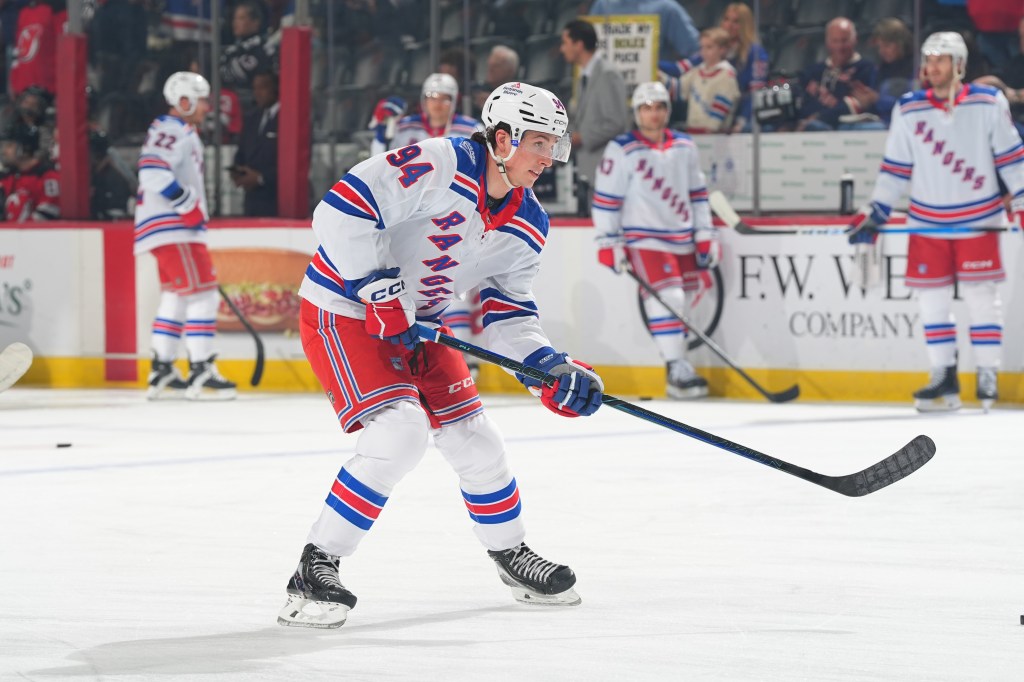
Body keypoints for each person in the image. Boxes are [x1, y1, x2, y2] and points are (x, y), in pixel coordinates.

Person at [279, 82, 603, 629]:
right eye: (540, 144)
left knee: (478, 441)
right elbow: (339, 210)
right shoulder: (437, 163)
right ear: (503, 138)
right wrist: (375, 287)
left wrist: (548, 368)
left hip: (421, 326)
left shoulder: (529, 222)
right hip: (344, 309)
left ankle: (511, 554)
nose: (549, 158)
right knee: (399, 433)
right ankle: (315, 567)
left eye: (556, 145)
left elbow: (508, 312)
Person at [847, 32, 1024, 412]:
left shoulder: (987, 102)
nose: (932, 68)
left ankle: (988, 373)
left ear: (959, 65)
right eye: (928, 60)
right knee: (931, 300)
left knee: (982, 299)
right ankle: (943, 375)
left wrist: (1022, 198)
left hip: (979, 217)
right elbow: (895, 169)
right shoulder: (909, 109)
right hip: (927, 220)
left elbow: (1011, 157)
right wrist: (876, 210)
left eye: (941, 60)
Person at [591, 81, 717, 400]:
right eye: (647, 108)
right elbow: (606, 199)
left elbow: (697, 194)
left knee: (683, 304)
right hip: (643, 239)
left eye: (659, 107)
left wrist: (705, 233)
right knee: (670, 299)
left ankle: (679, 367)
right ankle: (676, 367)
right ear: (637, 112)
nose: (653, 114)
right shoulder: (621, 149)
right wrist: (608, 241)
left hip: (682, 237)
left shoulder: (684, 146)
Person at [134, 72, 238, 401]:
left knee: (176, 296)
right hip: (173, 227)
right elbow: (151, 172)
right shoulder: (172, 128)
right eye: (203, 100)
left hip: (163, 229)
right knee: (204, 294)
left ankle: (162, 368)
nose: (207, 107)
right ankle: (201, 367)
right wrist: (185, 203)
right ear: (185, 101)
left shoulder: (177, 130)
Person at [369, 72, 483, 368]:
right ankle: (418, 354)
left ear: (454, 101)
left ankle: (463, 359)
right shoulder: (405, 127)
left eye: (444, 98)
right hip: (411, 214)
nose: (438, 105)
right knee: (415, 282)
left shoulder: (472, 129)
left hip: (458, 212)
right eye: (432, 98)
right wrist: (382, 130)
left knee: (452, 281)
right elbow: (379, 164)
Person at [659, 2, 768, 132]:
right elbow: (678, 69)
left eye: (736, 21)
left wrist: (741, 122)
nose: (729, 25)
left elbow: (755, 94)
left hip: (739, 117)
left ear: (745, 25)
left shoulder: (755, 53)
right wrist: (651, 64)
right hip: (706, 119)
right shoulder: (709, 51)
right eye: (726, 19)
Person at [559, 19, 630, 192]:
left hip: (606, 168)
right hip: (588, 170)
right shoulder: (585, 75)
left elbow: (616, 123)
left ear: (579, 45)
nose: (562, 48)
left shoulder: (607, 75)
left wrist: (580, 138)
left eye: (565, 43)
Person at [796, 18, 882, 131]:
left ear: (855, 40)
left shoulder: (867, 69)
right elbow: (802, 105)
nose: (839, 47)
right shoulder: (812, 71)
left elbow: (855, 106)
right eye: (835, 41)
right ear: (827, 42)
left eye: (844, 41)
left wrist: (819, 117)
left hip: (850, 130)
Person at [231, 70, 279, 217]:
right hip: (252, 202)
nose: (257, 93)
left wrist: (260, 178)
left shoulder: (290, 118)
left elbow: (295, 164)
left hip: (276, 202)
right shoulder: (252, 118)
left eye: (262, 87)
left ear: (276, 88)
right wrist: (238, 171)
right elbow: (241, 152)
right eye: (255, 88)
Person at [589, 0, 699, 62]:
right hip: (608, 92)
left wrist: (671, 70)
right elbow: (586, 48)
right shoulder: (603, 5)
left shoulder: (666, 8)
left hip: (654, 95)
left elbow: (697, 51)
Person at [677, 27, 740, 133]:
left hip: (715, 136)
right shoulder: (696, 71)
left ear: (722, 49)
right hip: (693, 131)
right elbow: (678, 89)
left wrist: (711, 129)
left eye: (709, 47)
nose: (704, 51)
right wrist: (660, 77)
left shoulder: (726, 75)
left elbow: (721, 107)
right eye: (702, 47)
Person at [0, 124, 60, 222]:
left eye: (9, 146)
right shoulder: (7, 177)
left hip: (38, 236)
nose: (4, 151)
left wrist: (21, 232)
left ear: (25, 148)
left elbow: (49, 212)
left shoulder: (47, 176)